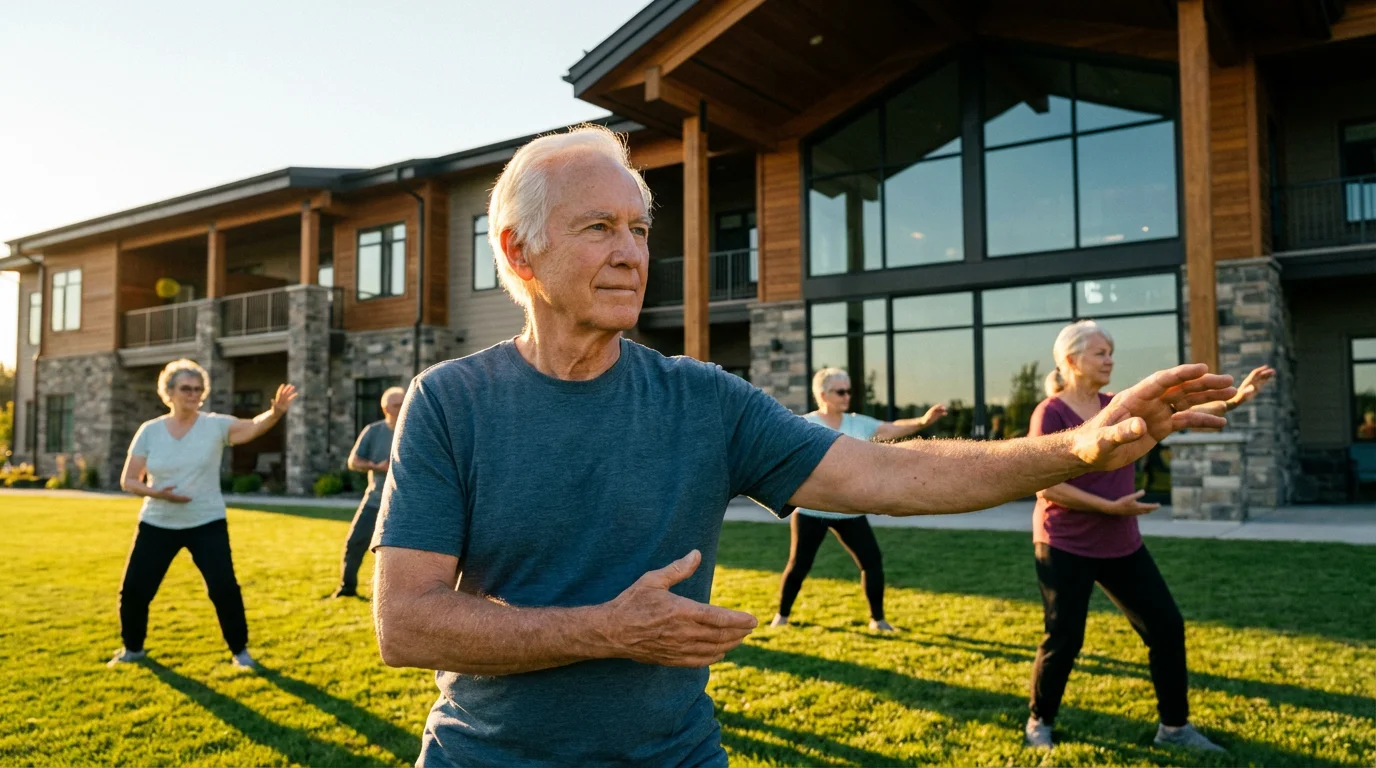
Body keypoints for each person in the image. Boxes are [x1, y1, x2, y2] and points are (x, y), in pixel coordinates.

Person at [369, 124, 1235, 766]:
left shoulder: (701, 399)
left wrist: (1080, 450)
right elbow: (405, 623)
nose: (633, 252)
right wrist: (607, 630)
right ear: (521, 253)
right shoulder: (453, 403)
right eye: (600, 227)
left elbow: (886, 472)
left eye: (639, 228)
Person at [1023, 322, 1273, 753]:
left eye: (1110, 352)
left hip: (1122, 543)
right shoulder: (1051, 414)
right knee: (1064, 639)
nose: (1110, 360)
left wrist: (1237, 399)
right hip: (1065, 543)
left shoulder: (1116, 406)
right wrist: (1108, 508)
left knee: (1166, 628)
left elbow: (1176, 416)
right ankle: (1039, 722)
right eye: (1100, 352)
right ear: (1071, 361)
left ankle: (1174, 729)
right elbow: (1047, 487)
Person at [111, 358, 296, 670]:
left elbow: (251, 428)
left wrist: (275, 413)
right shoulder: (150, 431)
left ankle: (241, 653)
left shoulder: (215, 425)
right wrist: (158, 493)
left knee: (224, 589)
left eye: (198, 389)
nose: (193, 394)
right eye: (186, 388)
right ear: (168, 392)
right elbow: (129, 480)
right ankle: (133, 649)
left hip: (206, 522)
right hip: (158, 522)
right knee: (135, 590)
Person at [770, 367, 946, 632]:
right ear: (823, 394)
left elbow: (889, 429)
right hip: (811, 511)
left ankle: (878, 620)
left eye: (849, 391)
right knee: (799, 565)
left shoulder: (857, 423)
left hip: (849, 510)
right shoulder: (806, 425)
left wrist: (922, 422)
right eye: (840, 391)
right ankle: (781, 617)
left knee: (872, 561)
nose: (846, 396)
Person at [331, 385, 405, 598]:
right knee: (354, 543)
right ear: (385, 409)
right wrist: (375, 466)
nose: (401, 407)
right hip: (375, 500)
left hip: (406, 504)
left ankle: (399, 597)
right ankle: (347, 588)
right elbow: (353, 461)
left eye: (403, 403)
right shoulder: (374, 431)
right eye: (396, 404)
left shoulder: (415, 429)